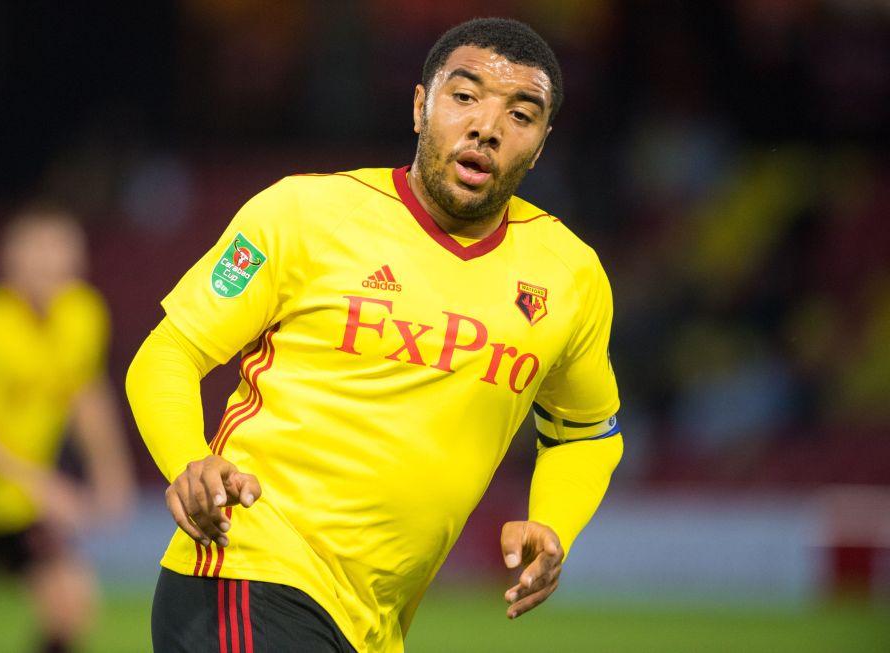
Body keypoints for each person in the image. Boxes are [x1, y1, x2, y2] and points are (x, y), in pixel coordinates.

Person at [126, 17, 622, 653]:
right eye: (464, 97)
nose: (487, 127)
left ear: (542, 143)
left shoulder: (570, 273)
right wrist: (188, 464)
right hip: (247, 568)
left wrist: (554, 524)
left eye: (520, 115)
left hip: (373, 623)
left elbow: (586, 432)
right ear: (420, 106)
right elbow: (167, 353)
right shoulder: (303, 214)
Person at [0, 205, 135, 653]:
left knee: (70, 606)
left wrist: (110, 467)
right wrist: (45, 487)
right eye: (39, 252)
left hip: (22, 510)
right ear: (10, 260)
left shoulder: (82, 312)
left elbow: (86, 393)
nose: (51, 265)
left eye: (61, 252)